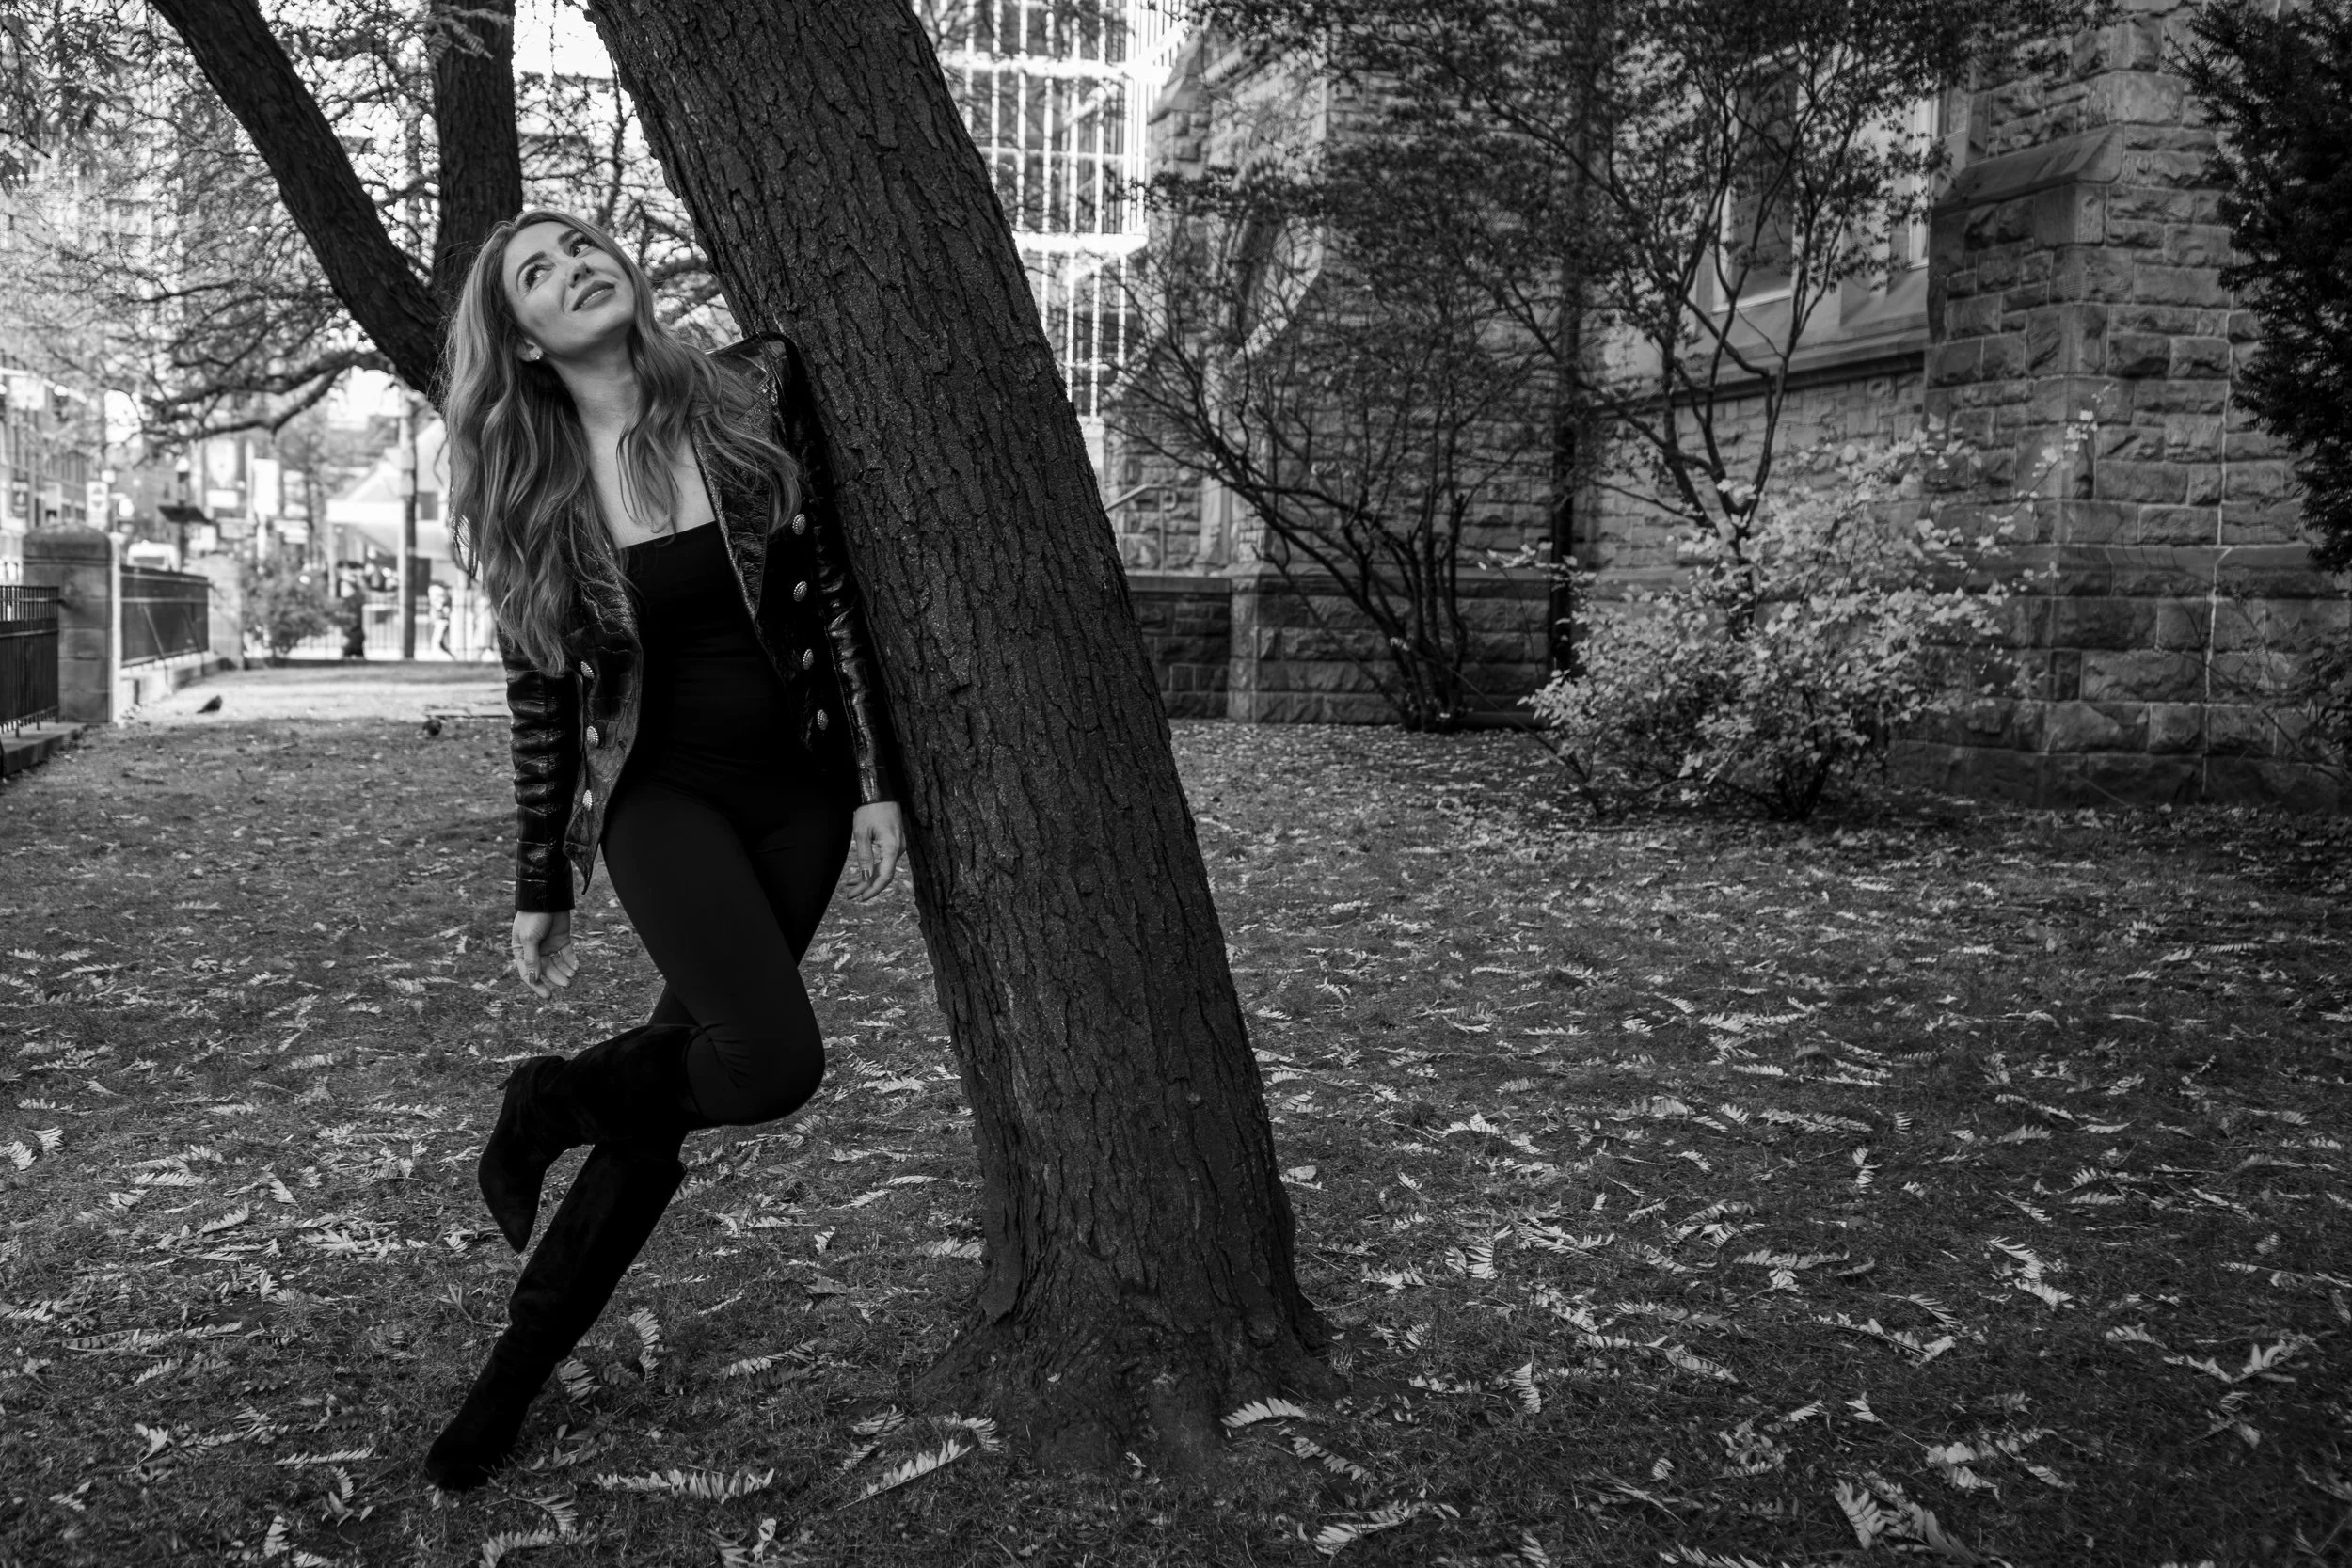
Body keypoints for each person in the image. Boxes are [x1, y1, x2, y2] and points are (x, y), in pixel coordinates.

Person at [425, 206, 908, 1490]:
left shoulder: (752, 385)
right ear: (521, 339)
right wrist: (545, 875)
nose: (576, 268)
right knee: (770, 1060)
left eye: (585, 247)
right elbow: (541, 691)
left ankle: (510, 1366)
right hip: (664, 800)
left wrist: (870, 780)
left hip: (798, 791)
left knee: (657, 1112)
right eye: (539, 271)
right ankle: (549, 1104)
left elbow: (840, 585)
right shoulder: (533, 480)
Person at [428, 579, 453, 657]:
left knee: (441, 638)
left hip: (442, 617)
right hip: (440, 617)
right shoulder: (437, 592)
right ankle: (435, 652)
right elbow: (439, 604)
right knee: (438, 635)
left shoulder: (436, 592)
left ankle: (448, 654)